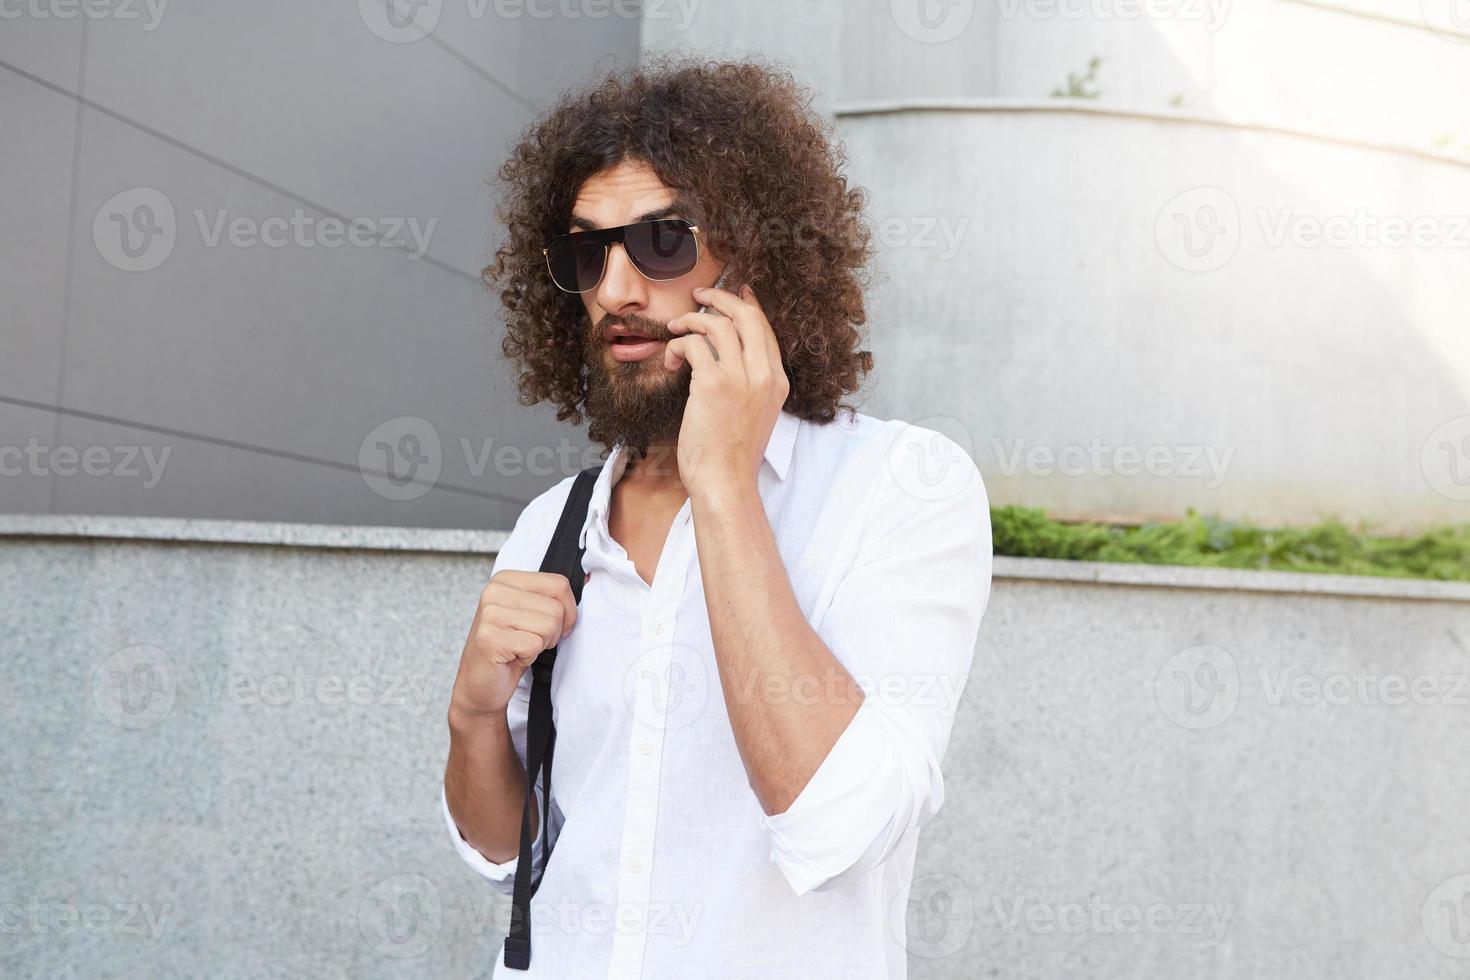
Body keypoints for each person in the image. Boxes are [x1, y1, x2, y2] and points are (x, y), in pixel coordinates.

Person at [442, 58, 993, 979]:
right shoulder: (555, 523)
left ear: (759, 259)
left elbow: (839, 831)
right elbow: (512, 860)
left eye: (661, 240)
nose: (617, 289)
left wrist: (726, 488)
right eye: (588, 253)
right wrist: (471, 718)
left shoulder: (905, 487)